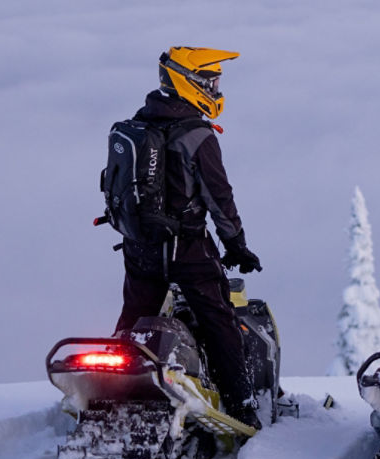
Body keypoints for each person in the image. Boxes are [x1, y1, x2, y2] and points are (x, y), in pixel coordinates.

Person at [110, 47, 264, 428]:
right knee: (218, 318)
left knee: (135, 316)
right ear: (188, 81)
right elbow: (219, 197)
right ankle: (241, 403)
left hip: (140, 245)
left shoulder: (141, 121)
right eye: (209, 81)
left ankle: (113, 385)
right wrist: (237, 246)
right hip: (186, 248)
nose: (214, 88)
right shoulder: (196, 134)